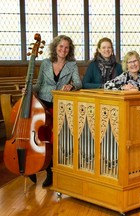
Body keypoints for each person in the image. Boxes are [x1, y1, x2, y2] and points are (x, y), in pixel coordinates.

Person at [28, 35, 82, 187]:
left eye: (66, 47)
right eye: (61, 46)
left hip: (59, 104)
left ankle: (50, 172)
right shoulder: (45, 63)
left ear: (69, 50)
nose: (63, 50)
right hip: (42, 104)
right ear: (55, 47)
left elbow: (79, 82)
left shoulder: (72, 64)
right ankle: (32, 167)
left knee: (52, 139)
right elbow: (39, 84)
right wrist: (29, 89)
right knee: (38, 136)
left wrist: (71, 86)